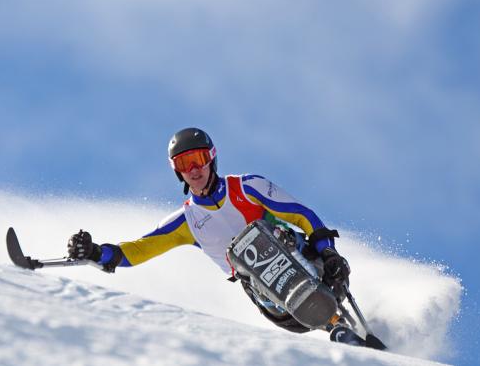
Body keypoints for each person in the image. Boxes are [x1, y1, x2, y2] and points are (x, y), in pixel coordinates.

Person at [67, 127, 351, 334]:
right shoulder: (186, 220)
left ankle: (330, 311)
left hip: (316, 267)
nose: (192, 169)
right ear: (176, 171)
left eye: (198, 159)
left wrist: (328, 252)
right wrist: (94, 252)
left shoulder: (248, 186)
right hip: (273, 300)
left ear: (211, 159)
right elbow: (137, 250)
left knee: (263, 235)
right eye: (183, 164)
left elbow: (302, 215)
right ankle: (318, 312)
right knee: (245, 253)